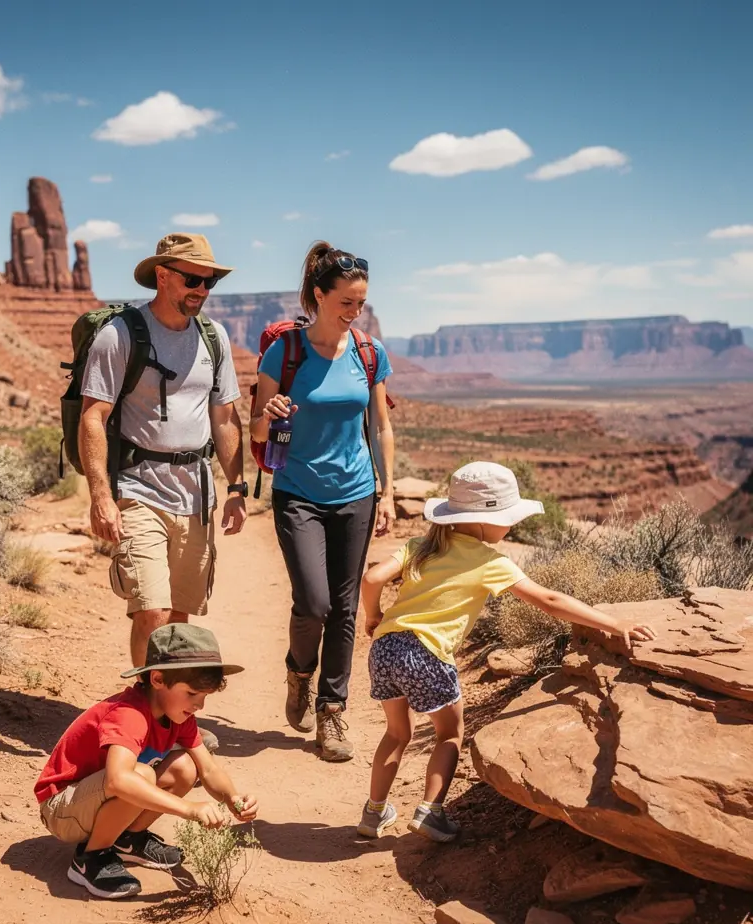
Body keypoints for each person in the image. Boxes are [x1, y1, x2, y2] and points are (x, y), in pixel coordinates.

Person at [357, 461, 657, 841]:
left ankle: (373, 814)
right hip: (427, 653)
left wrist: (373, 616)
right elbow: (548, 600)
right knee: (449, 734)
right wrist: (614, 624)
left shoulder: (420, 546)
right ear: (483, 521)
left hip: (386, 648)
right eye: (507, 518)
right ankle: (430, 812)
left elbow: (371, 578)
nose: (512, 526)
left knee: (397, 733)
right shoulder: (489, 562)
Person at [79, 233, 248, 750]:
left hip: (195, 496)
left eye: (209, 281)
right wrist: (101, 496)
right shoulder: (119, 335)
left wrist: (237, 486)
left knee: (180, 616)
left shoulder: (214, 338)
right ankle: (139, 724)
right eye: (193, 278)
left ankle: (171, 723)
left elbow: (224, 418)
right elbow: (93, 415)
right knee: (150, 610)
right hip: (138, 489)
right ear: (162, 275)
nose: (203, 288)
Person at [250, 241, 396, 762]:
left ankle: (332, 714)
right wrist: (269, 410)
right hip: (299, 493)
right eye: (346, 303)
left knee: (345, 607)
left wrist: (388, 490)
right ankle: (298, 672)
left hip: (356, 491)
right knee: (313, 603)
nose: (355, 313)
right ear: (319, 294)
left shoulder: (368, 352)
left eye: (361, 303)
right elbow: (258, 427)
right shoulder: (284, 352)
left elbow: (380, 425)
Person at [34, 624, 258, 899]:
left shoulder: (180, 717)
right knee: (138, 776)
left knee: (185, 767)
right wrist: (190, 809)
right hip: (62, 808)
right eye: (191, 694)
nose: (199, 705)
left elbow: (208, 769)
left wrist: (232, 799)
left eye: (204, 697)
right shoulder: (129, 714)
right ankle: (90, 858)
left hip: (93, 798)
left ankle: (126, 839)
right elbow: (118, 780)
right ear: (157, 679)